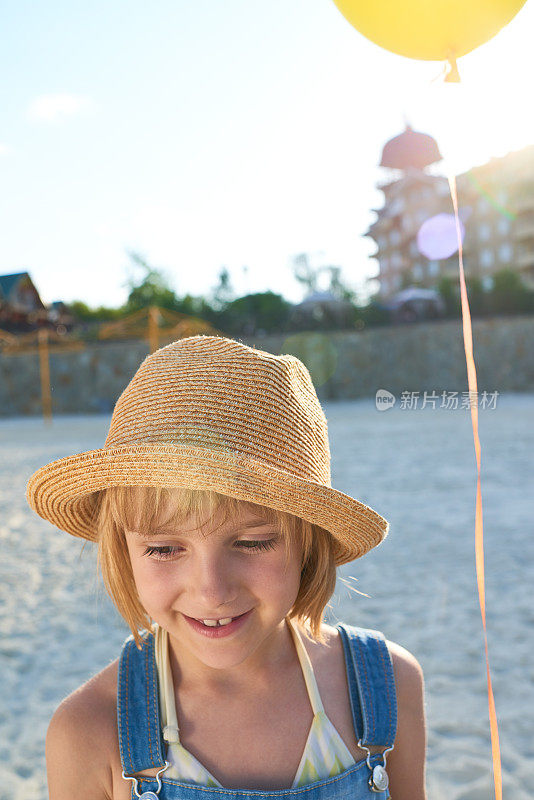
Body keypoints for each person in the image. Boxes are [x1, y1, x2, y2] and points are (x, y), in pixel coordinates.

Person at [26, 334, 427, 800]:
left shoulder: (387, 686)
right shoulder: (89, 731)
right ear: (123, 552)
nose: (211, 589)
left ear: (309, 547)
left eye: (252, 543)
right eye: (163, 549)